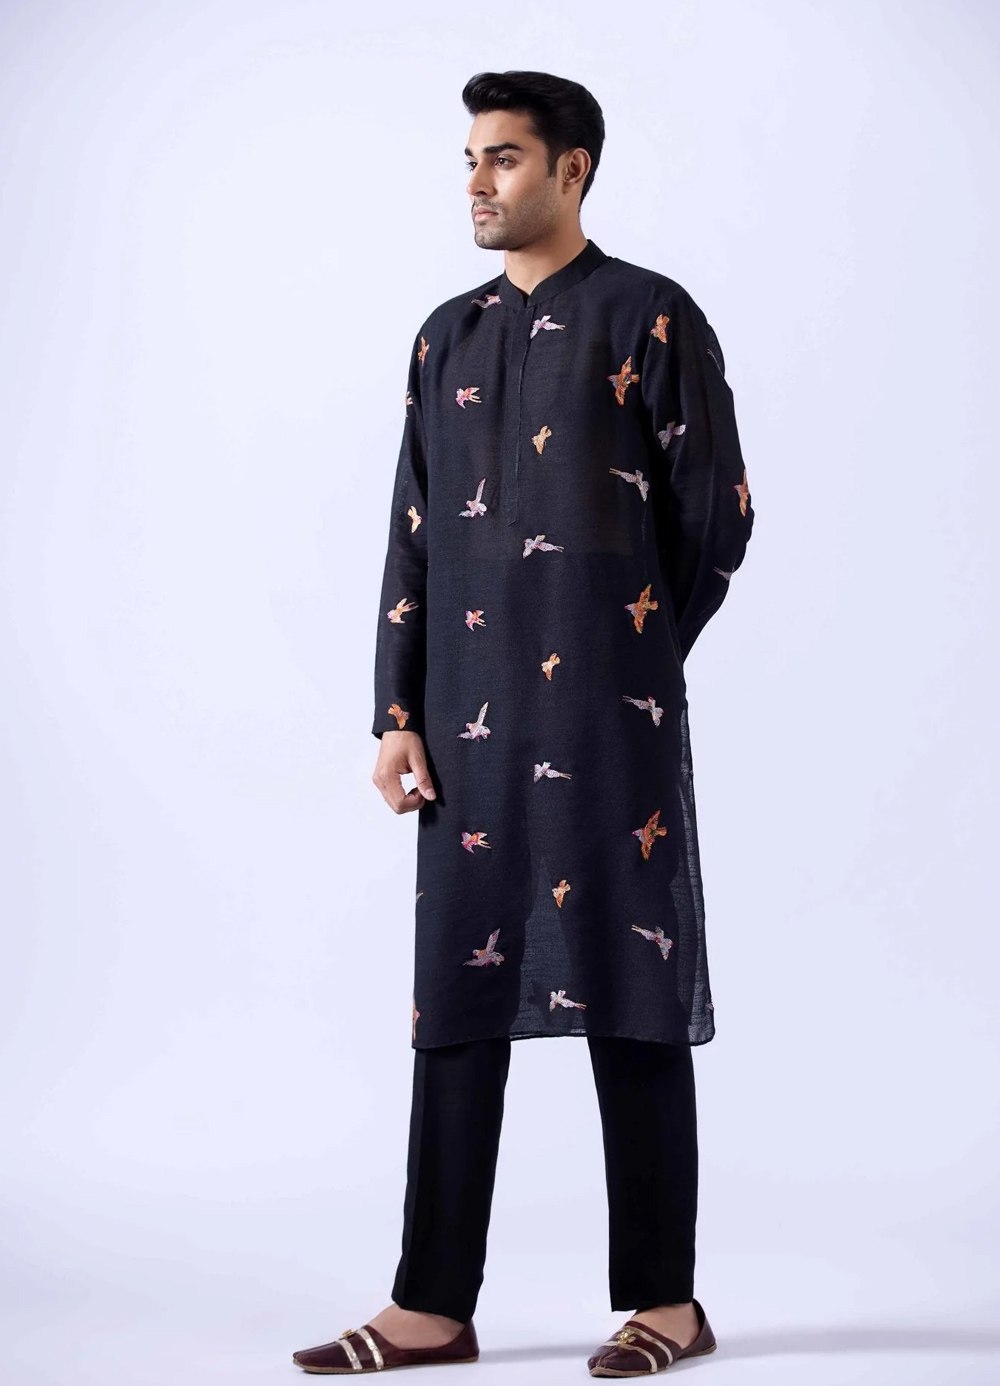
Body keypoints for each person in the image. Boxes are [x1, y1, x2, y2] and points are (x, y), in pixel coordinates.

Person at [293, 68, 753, 1378]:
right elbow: (414, 531)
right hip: (467, 728)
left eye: (504, 157)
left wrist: (627, 646)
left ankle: (666, 1304)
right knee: (458, 995)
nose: (479, 182)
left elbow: (717, 513)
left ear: (573, 168)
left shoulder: (649, 314)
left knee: (633, 986)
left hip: (609, 723)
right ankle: (431, 1306)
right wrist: (397, 713)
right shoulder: (445, 336)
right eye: (470, 159)